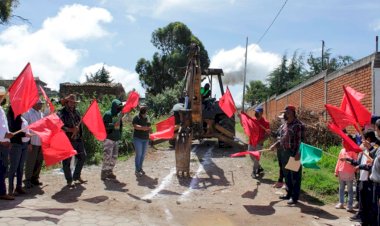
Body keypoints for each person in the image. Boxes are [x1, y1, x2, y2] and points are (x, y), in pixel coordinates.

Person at [345, 130, 378, 226]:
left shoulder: (375, 150)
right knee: (362, 201)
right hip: (362, 179)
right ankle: (362, 219)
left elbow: (370, 166)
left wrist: (360, 167)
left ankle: (366, 221)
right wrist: (349, 160)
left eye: (363, 138)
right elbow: (359, 162)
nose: (361, 141)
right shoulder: (365, 150)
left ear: (367, 139)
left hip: (369, 180)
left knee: (368, 203)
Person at [277, 105, 305, 205]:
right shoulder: (285, 125)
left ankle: (294, 197)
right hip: (285, 153)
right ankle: (288, 194)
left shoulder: (298, 125)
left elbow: (301, 141)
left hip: (294, 153)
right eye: (285, 112)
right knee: (287, 175)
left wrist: (298, 153)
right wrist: (275, 145)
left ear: (293, 112)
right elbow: (281, 139)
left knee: (295, 177)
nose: (285, 114)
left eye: (287, 112)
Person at [58, 94, 87, 187]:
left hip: (78, 139)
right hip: (67, 139)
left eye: (74, 102)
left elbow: (80, 124)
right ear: (66, 102)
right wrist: (70, 130)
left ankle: (76, 176)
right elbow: (59, 126)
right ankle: (69, 180)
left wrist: (80, 134)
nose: (72, 103)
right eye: (70, 101)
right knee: (67, 160)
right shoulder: (61, 112)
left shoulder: (77, 112)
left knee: (83, 157)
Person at [7, 106, 29, 196]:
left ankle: (18, 187)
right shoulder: (11, 117)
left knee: (20, 167)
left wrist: (28, 139)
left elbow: (26, 129)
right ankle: (10, 190)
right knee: (14, 167)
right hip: (16, 145)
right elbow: (13, 132)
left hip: (24, 144)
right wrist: (25, 134)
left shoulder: (21, 117)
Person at [23, 99, 45, 188]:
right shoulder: (28, 113)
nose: (41, 105)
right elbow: (25, 128)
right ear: (34, 104)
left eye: (41, 104)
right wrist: (28, 143)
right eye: (39, 104)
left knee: (39, 161)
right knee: (30, 162)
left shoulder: (41, 114)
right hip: (32, 141)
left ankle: (35, 178)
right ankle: (27, 180)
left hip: (40, 141)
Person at [101, 99, 123, 180]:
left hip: (116, 139)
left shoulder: (119, 115)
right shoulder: (107, 114)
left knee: (114, 156)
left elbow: (120, 126)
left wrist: (120, 135)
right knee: (107, 156)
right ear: (114, 106)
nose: (119, 109)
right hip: (109, 139)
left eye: (120, 107)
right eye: (118, 107)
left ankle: (110, 172)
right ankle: (104, 173)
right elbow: (103, 125)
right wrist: (113, 125)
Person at [334, 136, 358, 212]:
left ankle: (349, 205)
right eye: (342, 141)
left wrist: (347, 160)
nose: (342, 142)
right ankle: (341, 202)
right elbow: (338, 161)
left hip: (350, 172)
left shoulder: (353, 152)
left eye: (343, 141)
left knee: (350, 189)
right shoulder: (342, 150)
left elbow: (355, 162)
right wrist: (336, 170)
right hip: (341, 172)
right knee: (341, 188)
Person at [0, 86, 14, 200]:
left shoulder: (1, 109)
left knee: (3, 168)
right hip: (1, 143)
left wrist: (8, 136)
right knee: (2, 168)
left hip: (4, 142)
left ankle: (2, 191)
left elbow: (4, 127)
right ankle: (2, 192)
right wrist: (4, 137)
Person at [251, 106, 270, 179]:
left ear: (262, 113)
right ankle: (259, 167)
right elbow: (245, 125)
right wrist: (240, 118)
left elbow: (268, 134)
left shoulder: (266, 123)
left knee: (256, 158)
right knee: (251, 156)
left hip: (259, 143)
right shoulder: (252, 120)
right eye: (255, 111)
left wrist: (261, 141)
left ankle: (254, 171)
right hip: (251, 142)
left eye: (257, 112)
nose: (255, 113)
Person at [132, 104, 151, 176]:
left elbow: (149, 126)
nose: (145, 110)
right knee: (139, 154)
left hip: (146, 139)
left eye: (145, 108)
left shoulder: (148, 117)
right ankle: (137, 170)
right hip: (137, 139)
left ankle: (140, 168)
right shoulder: (136, 117)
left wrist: (150, 130)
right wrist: (144, 128)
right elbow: (135, 126)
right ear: (140, 109)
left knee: (143, 155)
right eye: (143, 108)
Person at [272, 113, 286, 188]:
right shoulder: (281, 127)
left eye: (282, 119)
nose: (281, 120)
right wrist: (270, 132)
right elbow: (276, 135)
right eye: (281, 119)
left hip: (285, 150)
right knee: (281, 165)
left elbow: (283, 139)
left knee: (286, 166)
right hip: (279, 149)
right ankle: (280, 181)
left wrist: (274, 145)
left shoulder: (288, 127)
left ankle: (287, 183)